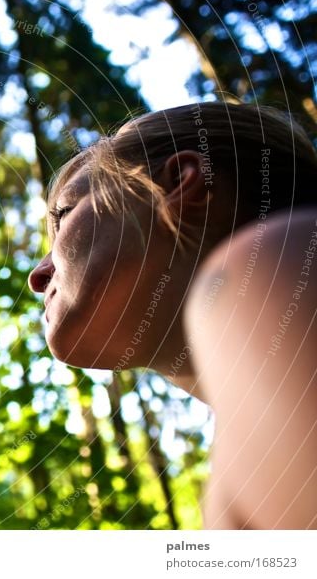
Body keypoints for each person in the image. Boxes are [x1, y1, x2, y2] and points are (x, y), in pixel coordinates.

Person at [27, 102, 317, 529]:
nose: (38, 275)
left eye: (65, 214)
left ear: (180, 182)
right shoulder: (231, 465)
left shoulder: (278, 258)